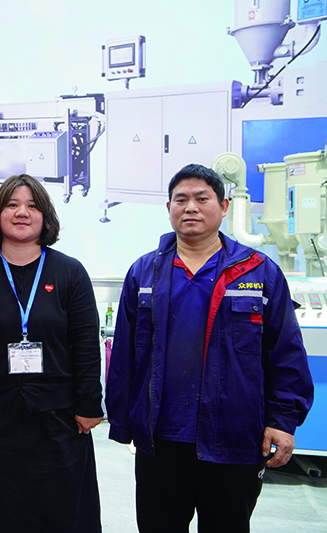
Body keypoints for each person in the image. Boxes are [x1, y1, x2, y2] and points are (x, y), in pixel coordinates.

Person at [106, 163, 314, 533]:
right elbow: (124, 356)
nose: (190, 207)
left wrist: (282, 422)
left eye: (202, 199)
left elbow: (286, 354)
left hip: (234, 437)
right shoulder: (144, 272)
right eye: (180, 199)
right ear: (168, 207)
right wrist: (121, 421)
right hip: (162, 439)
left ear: (224, 206)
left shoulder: (259, 272)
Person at [0, 174, 103, 532]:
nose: (21, 212)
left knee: (61, 513)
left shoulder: (69, 273)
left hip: (59, 418)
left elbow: (86, 343)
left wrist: (89, 403)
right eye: (12, 205)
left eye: (32, 206)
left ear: (45, 217)